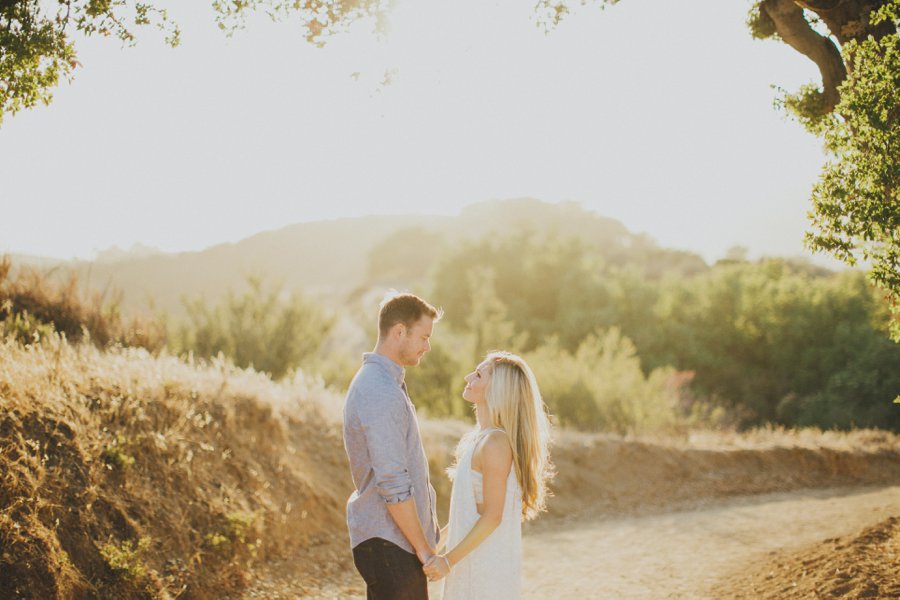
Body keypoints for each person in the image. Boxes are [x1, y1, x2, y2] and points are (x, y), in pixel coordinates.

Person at [424, 351, 553, 599]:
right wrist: (434, 546)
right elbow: (468, 513)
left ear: (498, 390)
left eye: (479, 374)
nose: (468, 377)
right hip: (471, 564)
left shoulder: (495, 443)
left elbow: (493, 516)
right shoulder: (480, 439)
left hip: (484, 570)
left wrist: (448, 561)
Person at [342, 292, 443, 600]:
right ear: (399, 331)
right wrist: (423, 550)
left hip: (391, 545)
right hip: (390, 546)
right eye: (424, 337)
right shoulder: (380, 389)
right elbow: (392, 481)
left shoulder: (385, 384)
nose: (427, 346)